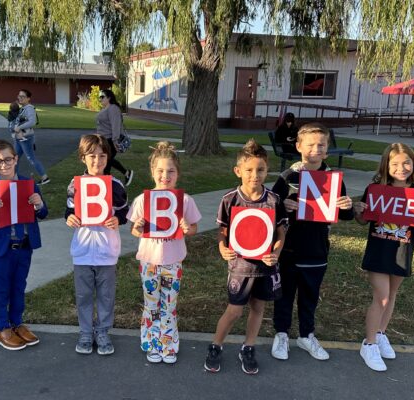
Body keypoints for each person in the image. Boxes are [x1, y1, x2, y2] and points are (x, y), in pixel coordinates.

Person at [353, 143, 414, 372]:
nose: (401, 167)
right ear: (386, 165)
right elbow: (363, 220)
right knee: (381, 297)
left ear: (413, 164)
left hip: (403, 251)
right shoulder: (375, 188)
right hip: (378, 251)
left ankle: (380, 333)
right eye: (394, 163)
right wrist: (358, 209)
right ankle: (369, 343)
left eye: (406, 162)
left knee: (392, 294)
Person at [270, 123, 354, 362]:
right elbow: (270, 209)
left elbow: (345, 215)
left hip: (317, 251)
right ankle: (282, 333)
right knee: (284, 295)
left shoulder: (333, 180)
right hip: (288, 249)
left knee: (310, 296)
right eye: (310, 144)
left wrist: (346, 206)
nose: (316, 149)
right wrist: (282, 205)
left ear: (327, 149)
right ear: (298, 147)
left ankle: (306, 335)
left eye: (321, 145)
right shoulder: (288, 177)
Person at [204, 139, 288, 375]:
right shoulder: (230, 199)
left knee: (258, 307)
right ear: (238, 171)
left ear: (267, 170)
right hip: (240, 266)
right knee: (234, 310)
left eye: (260, 170)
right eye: (249, 170)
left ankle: (248, 347)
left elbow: (281, 231)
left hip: (265, 266)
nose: (255, 175)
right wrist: (222, 247)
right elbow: (222, 231)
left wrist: (276, 252)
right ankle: (216, 345)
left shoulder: (273, 200)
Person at [128, 141, 201, 364]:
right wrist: (137, 227)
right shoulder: (142, 200)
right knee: (151, 305)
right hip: (149, 261)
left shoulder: (185, 200)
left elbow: (194, 226)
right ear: (152, 172)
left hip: (173, 262)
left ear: (178, 173)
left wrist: (189, 229)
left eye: (171, 171)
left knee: (168, 306)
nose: (165, 176)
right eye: (160, 171)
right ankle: (151, 344)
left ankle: (168, 344)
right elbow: (134, 230)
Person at [65, 134, 129, 356]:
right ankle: (85, 331)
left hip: (106, 251)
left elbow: (124, 213)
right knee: (83, 295)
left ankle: (102, 331)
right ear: (83, 157)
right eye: (91, 156)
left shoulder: (116, 185)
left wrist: (117, 219)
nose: (97, 161)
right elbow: (70, 211)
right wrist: (69, 218)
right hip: (82, 251)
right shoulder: (75, 185)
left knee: (106, 295)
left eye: (102, 156)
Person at [0, 139, 48, 350]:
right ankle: (2, 327)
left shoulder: (29, 185)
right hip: (3, 249)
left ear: (16, 159)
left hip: (24, 246)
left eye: (8, 159)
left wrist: (39, 204)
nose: (4, 164)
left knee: (19, 287)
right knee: (1, 289)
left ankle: (17, 323)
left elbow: (43, 213)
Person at [12, 89, 50, 185]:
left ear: (28, 98)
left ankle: (44, 177)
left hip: (26, 138)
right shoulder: (23, 108)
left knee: (31, 158)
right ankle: (13, 177)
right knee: (14, 158)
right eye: (19, 96)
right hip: (19, 138)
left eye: (23, 96)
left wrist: (19, 127)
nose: (20, 98)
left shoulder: (29, 108)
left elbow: (32, 122)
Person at [96, 89, 133, 186]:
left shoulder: (113, 108)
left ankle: (106, 182)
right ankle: (125, 173)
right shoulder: (105, 108)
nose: (100, 99)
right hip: (103, 140)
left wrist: (115, 141)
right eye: (99, 97)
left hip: (110, 140)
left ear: (109, 97)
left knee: (106, 161)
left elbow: (115, 125)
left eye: (102, 97)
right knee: (107, 161)